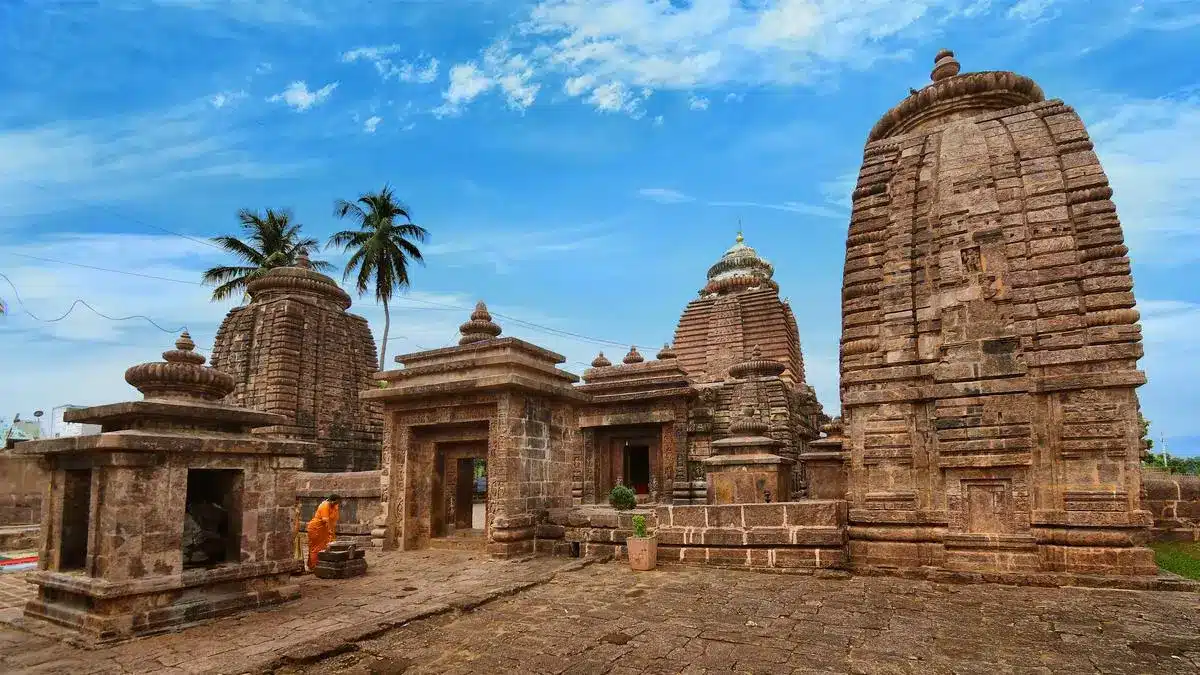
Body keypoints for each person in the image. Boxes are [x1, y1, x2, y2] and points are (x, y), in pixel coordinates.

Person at [306, 494, 341, 572]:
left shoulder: (334, 506)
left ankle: (320, 565)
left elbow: (333, 519)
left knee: (325, 547)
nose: (337, 504)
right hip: (316, 528)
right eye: (336, 502)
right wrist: (330, 531)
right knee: (316, 548)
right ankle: (314, 567)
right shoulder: (324, 506)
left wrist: (332, 531)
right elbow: (326, 520)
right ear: (332, 501)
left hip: (325, 529)